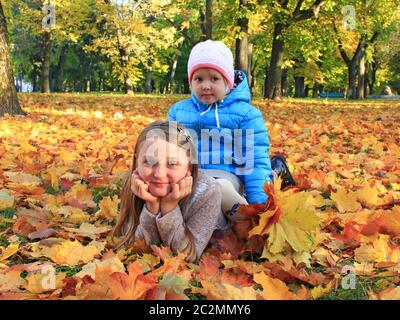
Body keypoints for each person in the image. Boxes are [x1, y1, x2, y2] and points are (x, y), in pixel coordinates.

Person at [168, 40, 296, 221]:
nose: (206, 85)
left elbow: (254, 162)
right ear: (191, 82)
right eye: (199, 79)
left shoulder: (245, 115)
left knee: (218, 190)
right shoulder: (178, 111)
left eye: (214, 78)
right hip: (190, 179)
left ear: (228, 82)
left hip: (227, 177)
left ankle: (248, 217)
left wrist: (260, 202)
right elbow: (169, 152)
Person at [112, 121, 229, 263]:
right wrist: (152, 207)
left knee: (226, 191)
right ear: (136, 161)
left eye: (172, 163)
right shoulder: (134, 184)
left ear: (189, 166)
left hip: (223, 196)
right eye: (149, 161)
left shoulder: (207, 191)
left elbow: (188, 257)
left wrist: (169, 208)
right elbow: (136, 248)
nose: (159, 174)